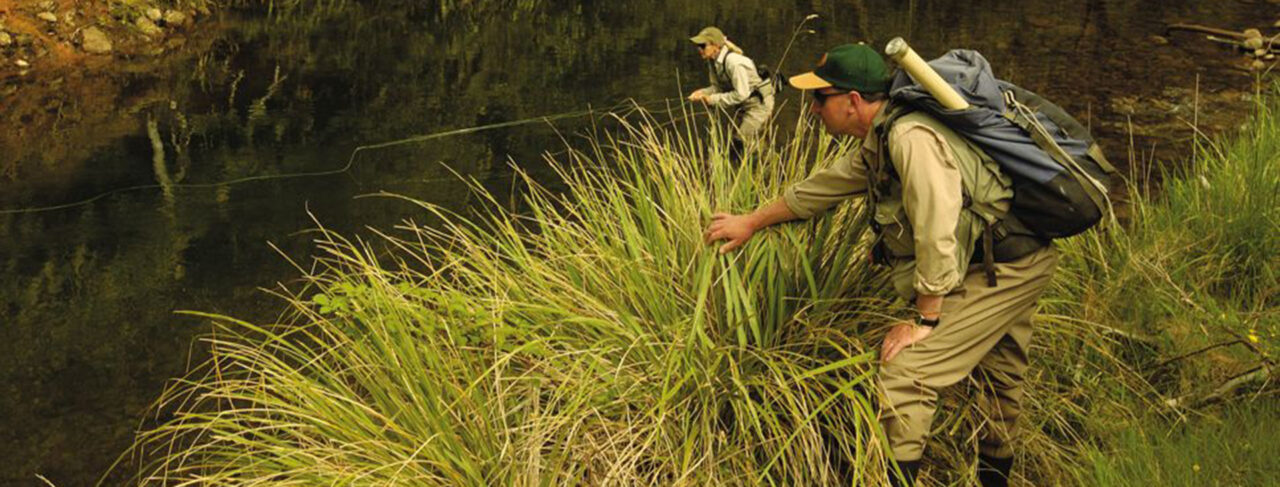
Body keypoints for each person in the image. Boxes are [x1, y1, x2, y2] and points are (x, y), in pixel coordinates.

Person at [702, 43, 1060, 487]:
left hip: (1004, 269)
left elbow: (936, 221)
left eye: (820, 98)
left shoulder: (910, 139)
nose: (812, 109)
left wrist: (926, 320)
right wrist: (751, 221)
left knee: (907, 371)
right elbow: (820, 189)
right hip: (1011, 257)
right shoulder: (882, 138)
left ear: (852, 102)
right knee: (999, 381)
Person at [687, 26, 776, 159]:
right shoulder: (713, 61)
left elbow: (742, 94)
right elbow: (718, 88)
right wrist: (702, 93)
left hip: (759, 105)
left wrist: (712, 100)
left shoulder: (733, 63)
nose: (699, 49)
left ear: (716, 46)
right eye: (698, 46)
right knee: (740, 145)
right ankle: (747, 172)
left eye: (702, 45)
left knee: (741, 142)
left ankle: (767, 170)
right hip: (744, 105)